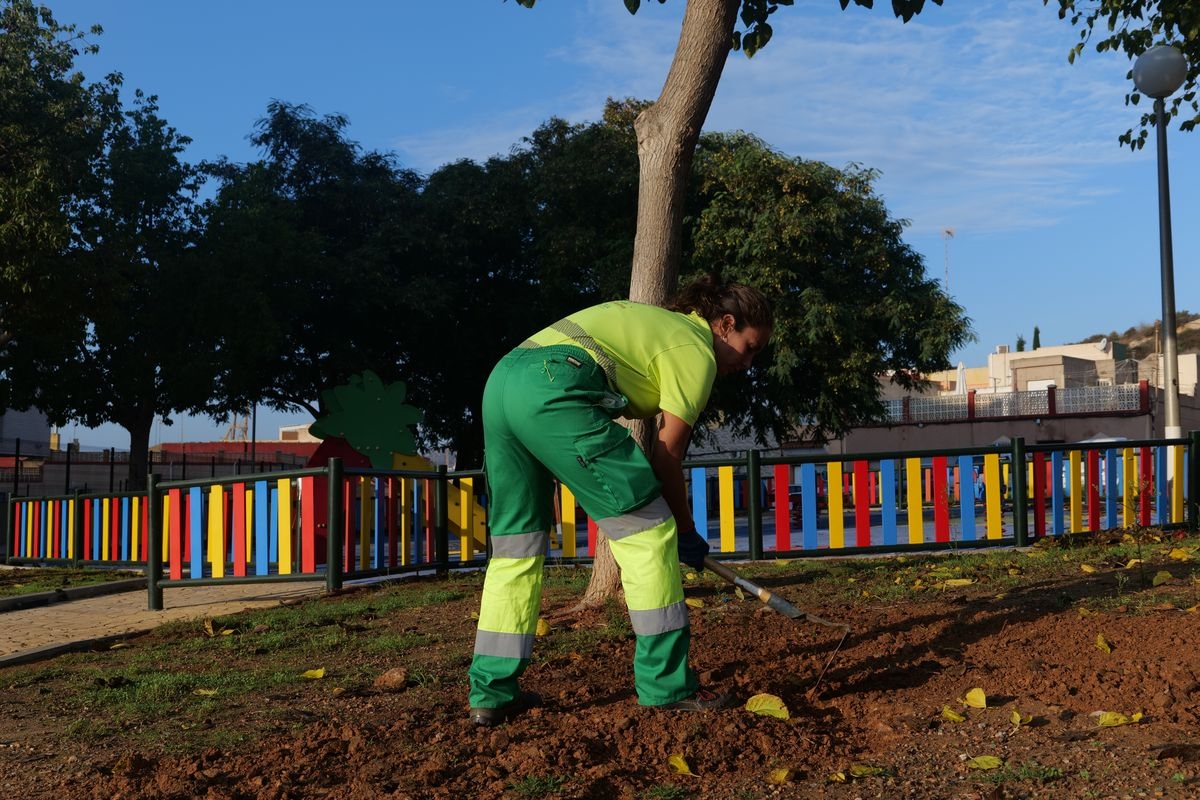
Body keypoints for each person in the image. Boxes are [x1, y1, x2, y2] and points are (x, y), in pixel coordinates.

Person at [467, 273, 773, 725]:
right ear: (725, 324)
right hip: (554, 388)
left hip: (502, 383)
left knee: (517, 549)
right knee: (650, 534)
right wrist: (685, 531)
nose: (746, 364)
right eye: (749, 348)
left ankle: (491, 693)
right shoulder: (695, 350)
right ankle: (667, 687)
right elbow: (666, 458)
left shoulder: (657, 324)